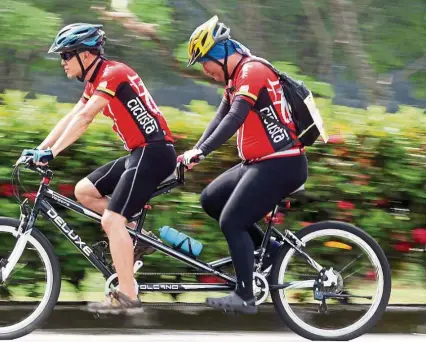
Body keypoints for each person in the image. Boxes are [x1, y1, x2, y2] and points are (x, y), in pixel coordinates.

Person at [26, 23, 177, 314]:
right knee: (84, 190)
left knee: (111, 221)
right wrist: (40, 149)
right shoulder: (96, 81)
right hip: (140, 153)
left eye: (66, 55)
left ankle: (128, 294)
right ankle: (136, 235)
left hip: (155, 153)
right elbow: (72, 116)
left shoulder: (113, 74)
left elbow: (85, 119)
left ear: (85, 55)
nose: (62, 62)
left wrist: (52, 153)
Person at [183, 16, 308, 314]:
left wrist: (202, 152)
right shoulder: (235, 78)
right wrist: (195, 150)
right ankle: (273, 254)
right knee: (212, 199)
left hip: (282, 164)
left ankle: (245, 295)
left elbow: (235, 118)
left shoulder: (252, 71)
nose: (205, 70)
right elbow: (219, 118)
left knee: (231, 221)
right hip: (258, 163)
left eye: (204, 62)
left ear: (221, 54)